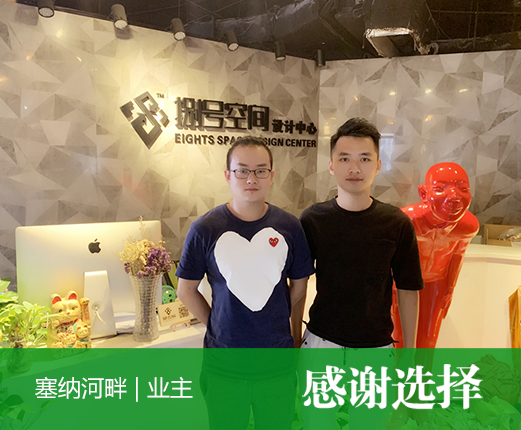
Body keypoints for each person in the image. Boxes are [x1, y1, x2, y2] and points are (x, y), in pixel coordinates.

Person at [175, 136, 314, 429]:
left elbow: (299, 287)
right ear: (228, 175)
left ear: (271, 176)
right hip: (224, 366)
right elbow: (186, 290)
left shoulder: (290, 227)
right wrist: (217, 323)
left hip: (277, 364)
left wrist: (289, 331)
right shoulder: (205, 229)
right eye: (242, 170)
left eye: (260, 170)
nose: (251, 178)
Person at [298, 117, 424, 429]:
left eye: (364, 159)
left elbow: (408, 289)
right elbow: (298, 283)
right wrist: (292, 337)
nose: (354, 168)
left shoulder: (396, 224)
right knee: (316, 423)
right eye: (345, 159)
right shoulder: (313, 220)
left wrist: (409, 351)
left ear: (378, 165)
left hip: (375, 346)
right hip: (321, 342)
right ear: (331, 165)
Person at [392, 162, 479, 348]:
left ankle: (423, 369)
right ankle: (399, 369)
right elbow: (390, 258)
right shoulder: (406, 221)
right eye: (440, 189)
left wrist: (449, 289)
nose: (454, 197)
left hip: (436, 283)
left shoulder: (468, 226)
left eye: (463, 189)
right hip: (403, 284)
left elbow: (458, 255)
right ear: (423, 193)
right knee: (400, 337)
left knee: (429, 337)